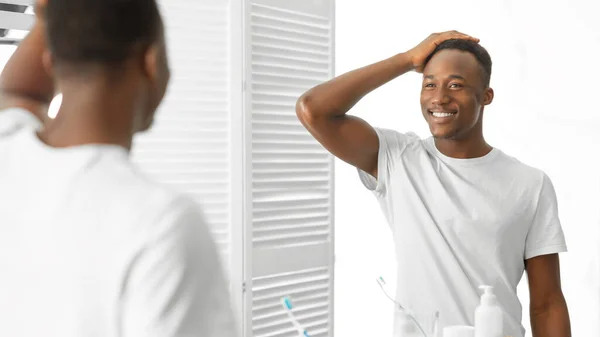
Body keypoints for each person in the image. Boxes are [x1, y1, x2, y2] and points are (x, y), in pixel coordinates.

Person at [297, 31, 571, 337]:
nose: (439, 97)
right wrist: (406, 60)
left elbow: (547, 304)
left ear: (486, 96)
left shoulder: (529, 183)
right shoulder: (397, 159)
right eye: (429, 84)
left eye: (455, 85)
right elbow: (314, 110)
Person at [0, 0, 237, 336]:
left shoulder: (7, 148)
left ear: (51, 62)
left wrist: (51, 14)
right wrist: (49, 13)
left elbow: (16, 91)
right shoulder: (162, 223)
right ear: (151, 63)